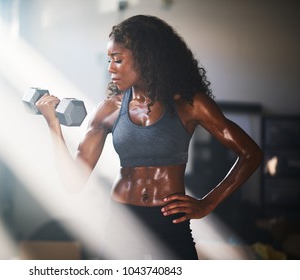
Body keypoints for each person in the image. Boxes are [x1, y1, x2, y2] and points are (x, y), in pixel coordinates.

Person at [35, 15, 263, 260]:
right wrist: (53, 125)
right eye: (109, 59)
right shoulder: (109, 109)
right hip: (123, 220)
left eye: (118, 60)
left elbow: (251, 154)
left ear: (146, 59)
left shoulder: (190, 104)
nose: (110, 68)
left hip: (170, 220)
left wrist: (207, 204)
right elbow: (73, 182)